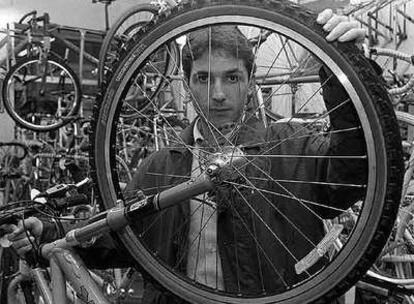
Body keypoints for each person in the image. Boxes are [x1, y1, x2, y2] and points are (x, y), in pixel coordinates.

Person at [5, 9, 370, 304]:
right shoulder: (163, 166)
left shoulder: (292, 145)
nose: (219, 94)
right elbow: (119, 235)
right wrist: (51, 231)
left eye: (232, 78)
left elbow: (351, 175)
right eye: (204, 78)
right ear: (186, 81)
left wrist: (349, 73)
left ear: (251, 79)